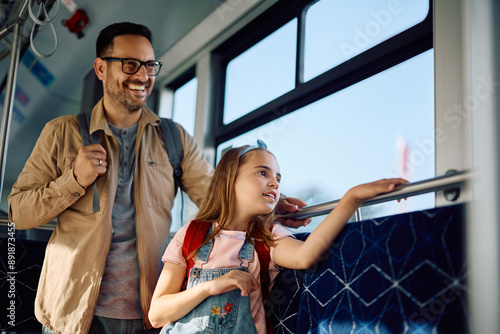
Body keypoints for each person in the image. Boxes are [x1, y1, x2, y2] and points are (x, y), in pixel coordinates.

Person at [7, 22, 308, 334]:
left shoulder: (174, 138)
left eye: (150, 65)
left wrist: (270, 204)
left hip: (146, 316)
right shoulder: (61, 132)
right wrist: (74, 179)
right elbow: (19, 212)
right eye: (130, 64)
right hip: (71, 314)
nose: (143, 76)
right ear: (100, 68)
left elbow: (218, 199)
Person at [148, 143, 407, 333]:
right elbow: (157, 314)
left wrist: (352, 198)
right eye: (263, 173)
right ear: (230, 179)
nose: (274, 183)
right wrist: (209, 287)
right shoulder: (191, 234)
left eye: (278, 178)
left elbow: (307, 255)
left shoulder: (267, 239)